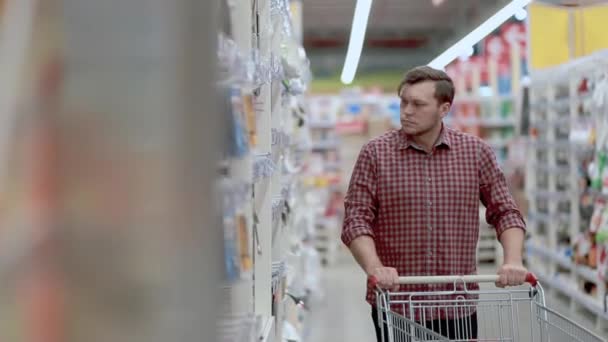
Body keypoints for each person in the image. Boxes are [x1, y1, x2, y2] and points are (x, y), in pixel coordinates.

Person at [341, 66, 528, 342]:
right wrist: (375, 267)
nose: (406, 111)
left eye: (418, 104)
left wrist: (513, 260)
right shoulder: (375, 154)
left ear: (444, 108)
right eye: (403, 102)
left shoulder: (475, 153)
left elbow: (505, 212)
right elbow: (356, 219)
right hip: (397, 304)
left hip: (456, 306)